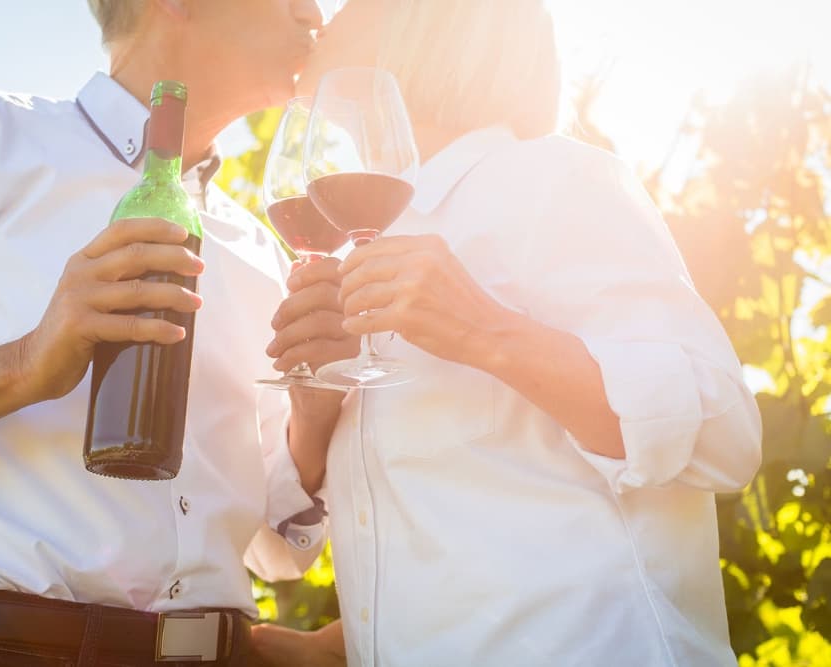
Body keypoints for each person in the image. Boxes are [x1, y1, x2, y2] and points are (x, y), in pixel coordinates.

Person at [0, 1, 353, 665]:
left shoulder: (259, 248)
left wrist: (313, 418)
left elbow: (278, 550)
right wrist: (26, 362)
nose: (312, 10)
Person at [260, 0, 764, 665]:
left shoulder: (552, 180)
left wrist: (487, 331)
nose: (323, 11)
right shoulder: (371, 243)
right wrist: (315, 413)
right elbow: (427, 558)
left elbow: (726, 435)